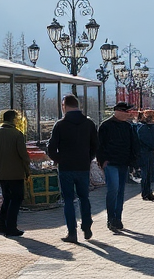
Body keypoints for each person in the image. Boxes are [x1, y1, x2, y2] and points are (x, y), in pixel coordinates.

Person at [47, 94, 98, 244]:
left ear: (64, 106)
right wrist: (87, 159)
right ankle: (87, 226)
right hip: (83, 167)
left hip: (66, 168)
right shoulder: (89, 123)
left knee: (68, 200)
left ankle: (72, 232)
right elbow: (95, 145)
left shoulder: (60, 125)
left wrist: (58, 159)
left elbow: (51, 148)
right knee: (84, 198)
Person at [97, 102, 141, 232]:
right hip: (110, 163)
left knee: (120, 191)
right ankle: (111, 219)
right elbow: (99, 145)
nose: (128, 114)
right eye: (126, 112)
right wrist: (102, 160)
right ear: (118, 111)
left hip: (124, 163)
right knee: (113, 189)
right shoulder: (105, 126)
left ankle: (118, 218)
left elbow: (134, 145)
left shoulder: (128, 127)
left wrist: (134, 163)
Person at [0, 110, 30, 237]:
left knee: (6, 199)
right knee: (16, 198)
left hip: (2, 173)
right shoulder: (17, 134)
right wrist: (27, 171)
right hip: (15, 173)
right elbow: (23, 155)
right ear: (13, 119)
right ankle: (11, 227)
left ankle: (2, 226)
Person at [134, 110, 154, 201]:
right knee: (146, 173)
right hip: (144, 152)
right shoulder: (143, 127)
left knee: (148, 173)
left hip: (147, 152)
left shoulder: (144, 127)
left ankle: (147, 191)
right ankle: (146, 192)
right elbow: (151, 140)